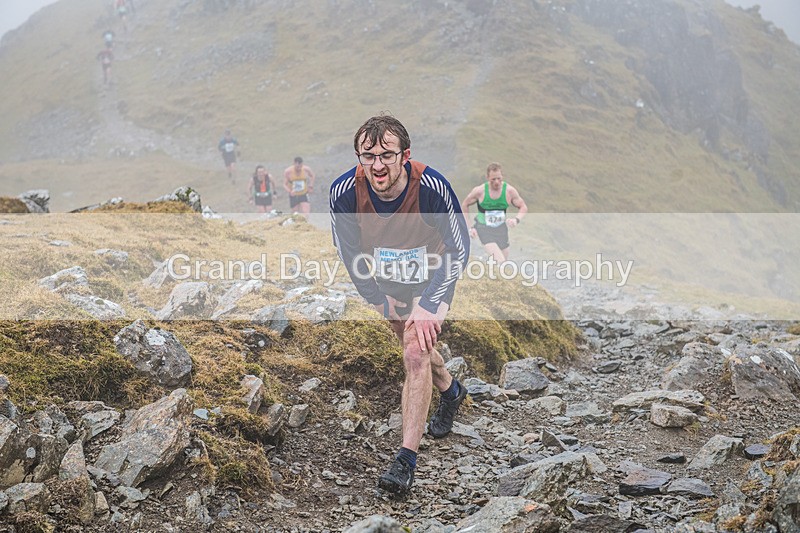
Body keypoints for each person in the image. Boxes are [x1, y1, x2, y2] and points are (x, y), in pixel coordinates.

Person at [329, 115, 470, 495]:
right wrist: (376, 297)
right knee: (414, 346)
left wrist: (430, 302)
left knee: (414, 352)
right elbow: (349, 252)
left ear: (405, 155)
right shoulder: (345, 192)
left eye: (387, 155)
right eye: (368, 155)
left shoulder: (431, 187)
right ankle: (451, 389)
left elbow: (460, 248)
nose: (377, 165)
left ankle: (404, 462)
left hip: (433, 274)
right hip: (390, 276)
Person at [461, 162, 528, 263]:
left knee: (503, 261)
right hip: (484, 229)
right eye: (493, 179)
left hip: (501, 229)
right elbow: (464, 205)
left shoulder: (509, 191)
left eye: (499, 178)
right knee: (500, 262)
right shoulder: (480, 191)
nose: (497, 182)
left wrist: (516, 220)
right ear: (487, 177)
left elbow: (523, 207)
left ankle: (486, 266)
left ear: (502, 177)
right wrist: (470, 227)